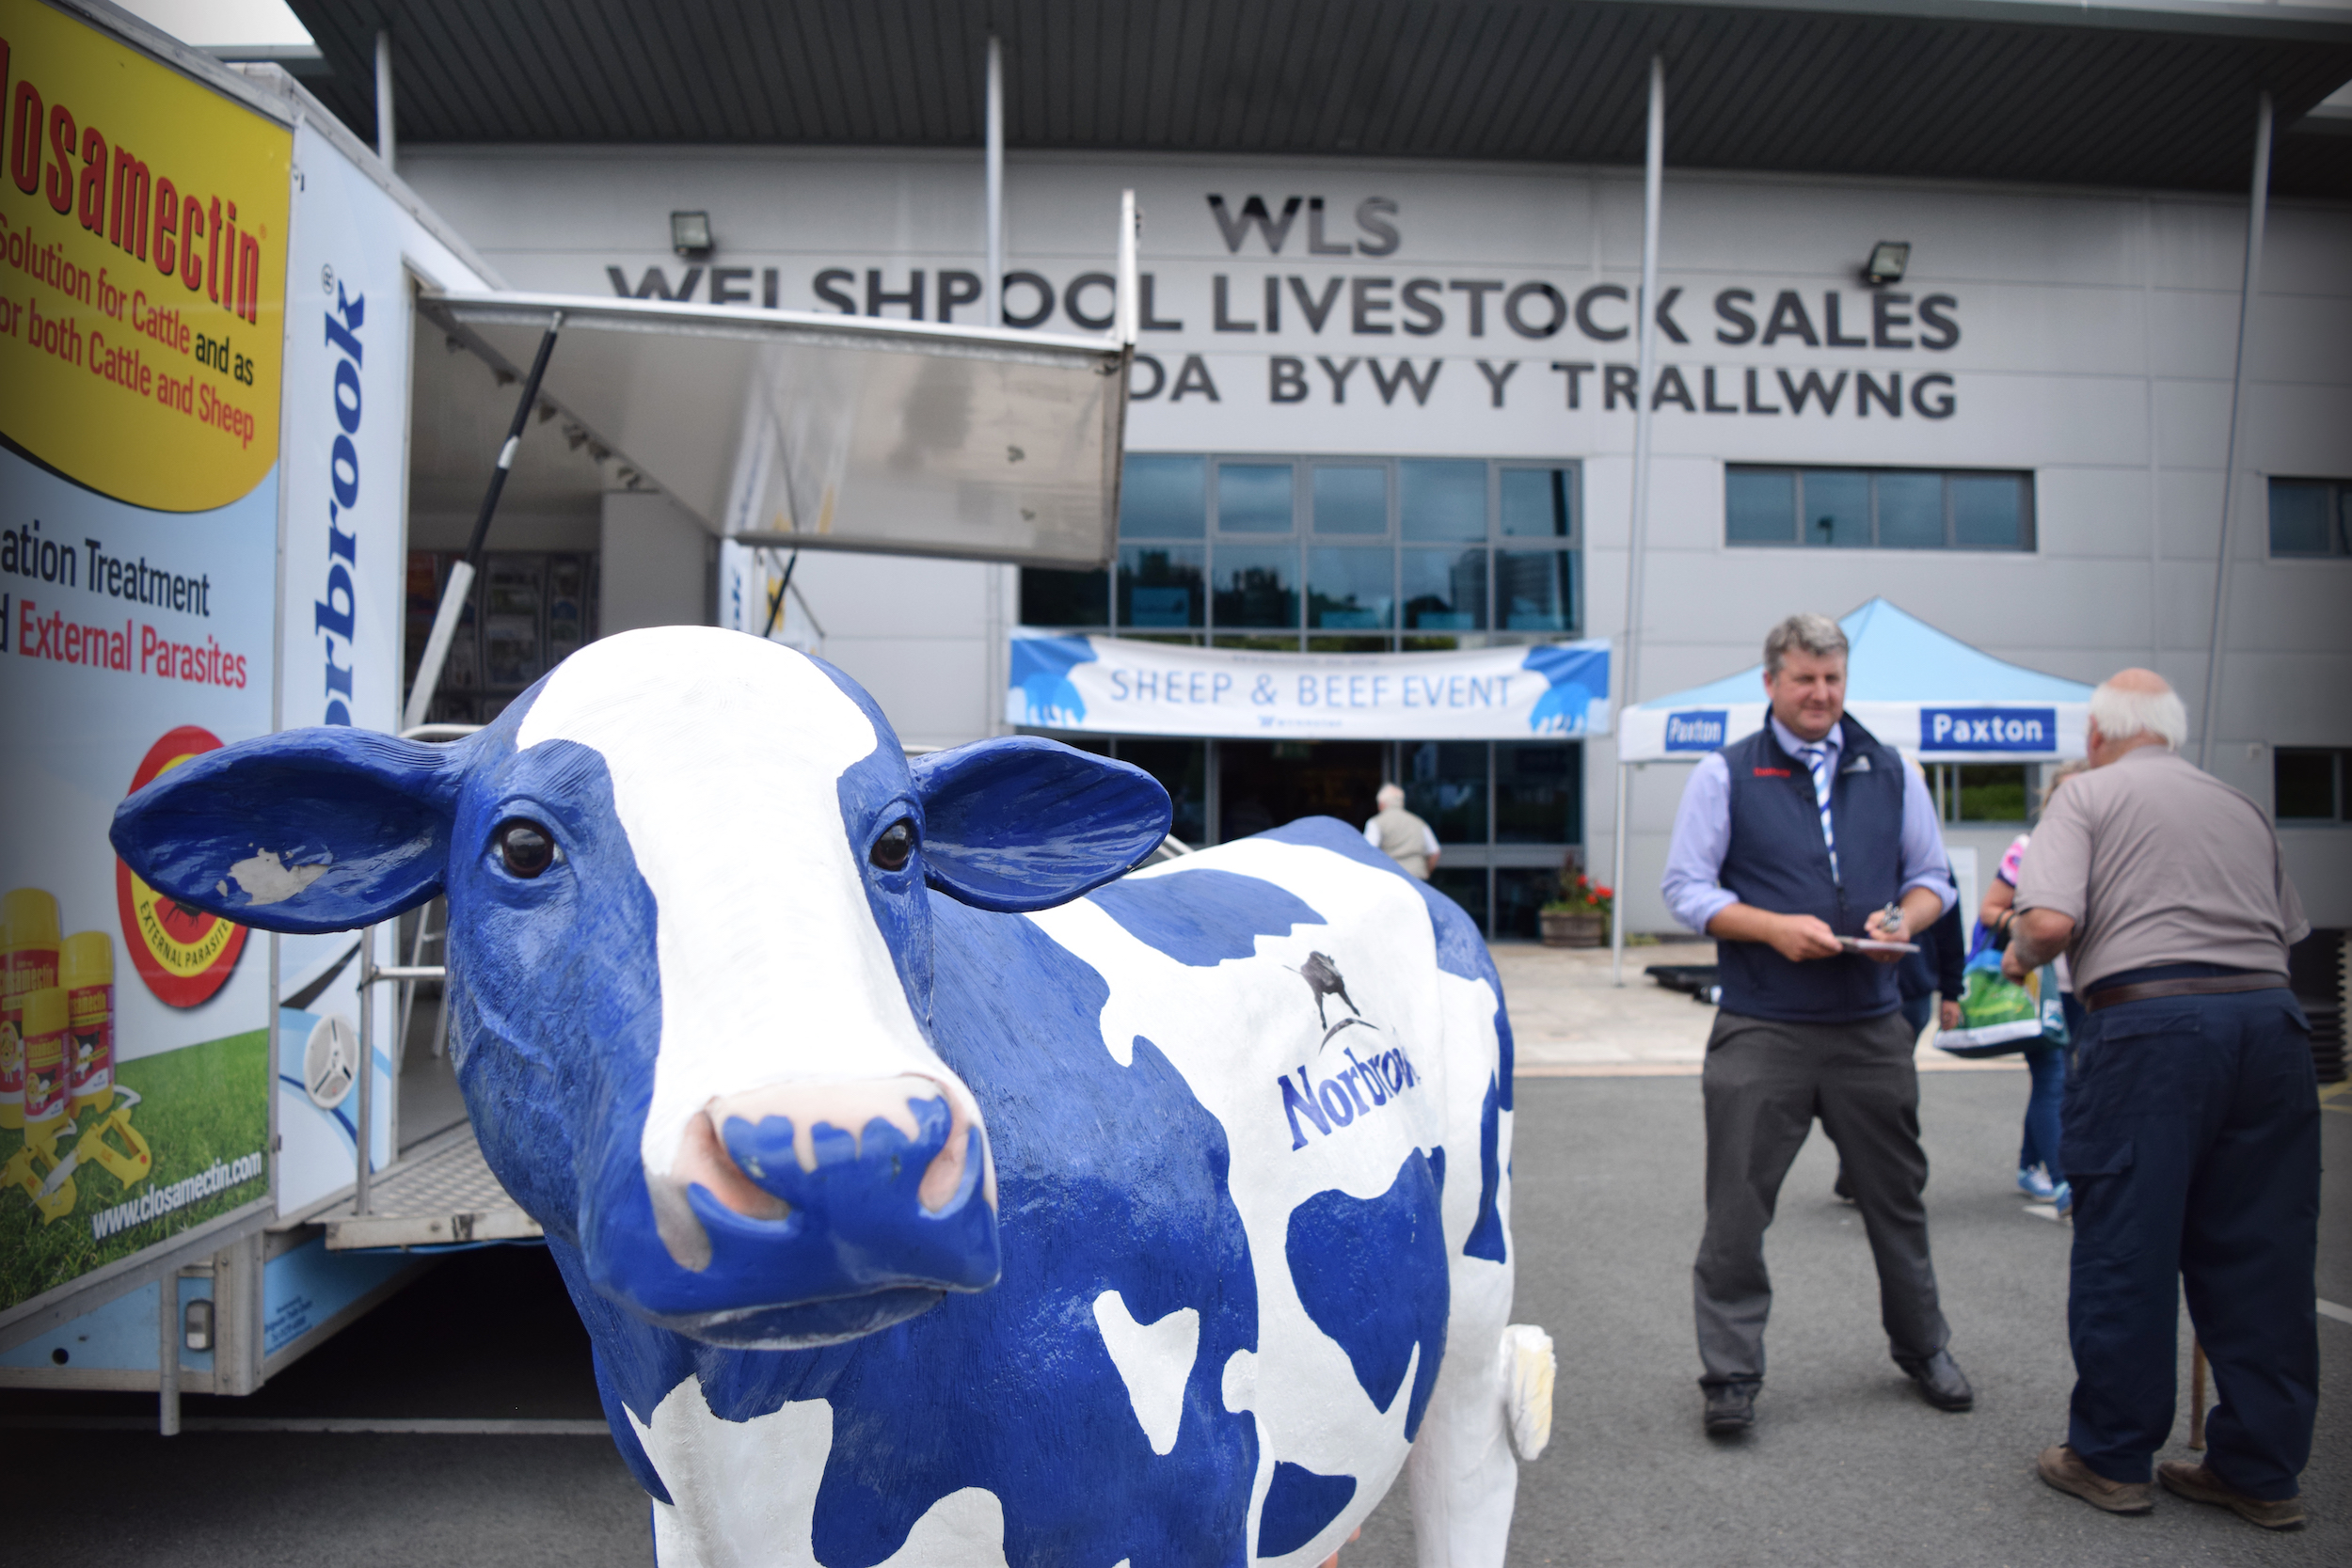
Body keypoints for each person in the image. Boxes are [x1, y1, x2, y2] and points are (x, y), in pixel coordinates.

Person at [2007, 671, 2315, 1529]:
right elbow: (2289, 931)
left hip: (2149, 1026)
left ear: (2099, 734)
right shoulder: (2238, 802)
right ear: (2169, 735)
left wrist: (2017, 953)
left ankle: (2110, 1456)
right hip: (2270, 1024)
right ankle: (2259, 1469)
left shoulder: (2086, 795)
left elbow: (2051, 921)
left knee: (2128, 1243)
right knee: (2264, 1250)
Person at [1661, 612, 1969, 1436]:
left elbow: (1931, 875)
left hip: (1873, 1024)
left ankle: (1923, 1346)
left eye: (1832, 679)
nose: (1820, 694)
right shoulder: (1725, 774)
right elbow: (1686, 888)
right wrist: (1770, 927)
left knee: (1897, 1199)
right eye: (1804, 679)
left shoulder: (1889, 768)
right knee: (1736, 1210)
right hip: (1765, 1023)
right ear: (1770, 682)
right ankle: (1729, 1375)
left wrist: (1906, 919)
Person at [1979, 759, 2090, 1212]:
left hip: (2087, 985)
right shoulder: (2027, 848)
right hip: (2037, 983)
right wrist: (2030, 927)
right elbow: (1989, 910)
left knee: (2065, 1077)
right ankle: (2065, 1183)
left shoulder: (2105, 847)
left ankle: (2031, 1164)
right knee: (2054, 1076)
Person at [1363, 784, 1439, 879]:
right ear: (1402, 803)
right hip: (1417, 877)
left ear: (1381, 803)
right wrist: (1426, 872)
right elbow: (1435, 851)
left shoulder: (1376, 823)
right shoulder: (1419, 822)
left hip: (1391, 877)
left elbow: (1368, 851)